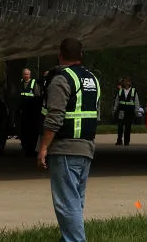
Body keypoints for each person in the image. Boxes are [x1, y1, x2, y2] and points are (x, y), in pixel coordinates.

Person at [37, 38, 101, 242]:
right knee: (75, 202)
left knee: (67, 204)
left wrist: (43, 147)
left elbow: (55, 116)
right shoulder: (92, 80)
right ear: (81, 55)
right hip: (86, 148)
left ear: (60, 55)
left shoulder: (61, 79)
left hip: (65, 148)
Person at [19, 68, 42, 156]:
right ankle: (25, 147)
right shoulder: (20, 83)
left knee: (31, 130)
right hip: (23, 110)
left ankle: (32, 148)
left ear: (30, 75)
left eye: (27, 74)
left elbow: (37, 95)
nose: (26, 76)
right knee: (23, 130)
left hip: (32, 111)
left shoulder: (33, 83)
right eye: (25, 74)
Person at [113, 77, 139, 146]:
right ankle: (119, 141)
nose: (126, 83)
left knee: (128, 127)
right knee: (120, 127)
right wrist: (115, 109)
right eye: (125, 81)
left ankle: (126, 142)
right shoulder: (120, 91)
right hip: (121, 111)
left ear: (130, 82)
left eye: (128, 81)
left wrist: (137, 111)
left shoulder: (133, 91)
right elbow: (117, 101)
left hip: (130, 111)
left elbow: (136, 101)